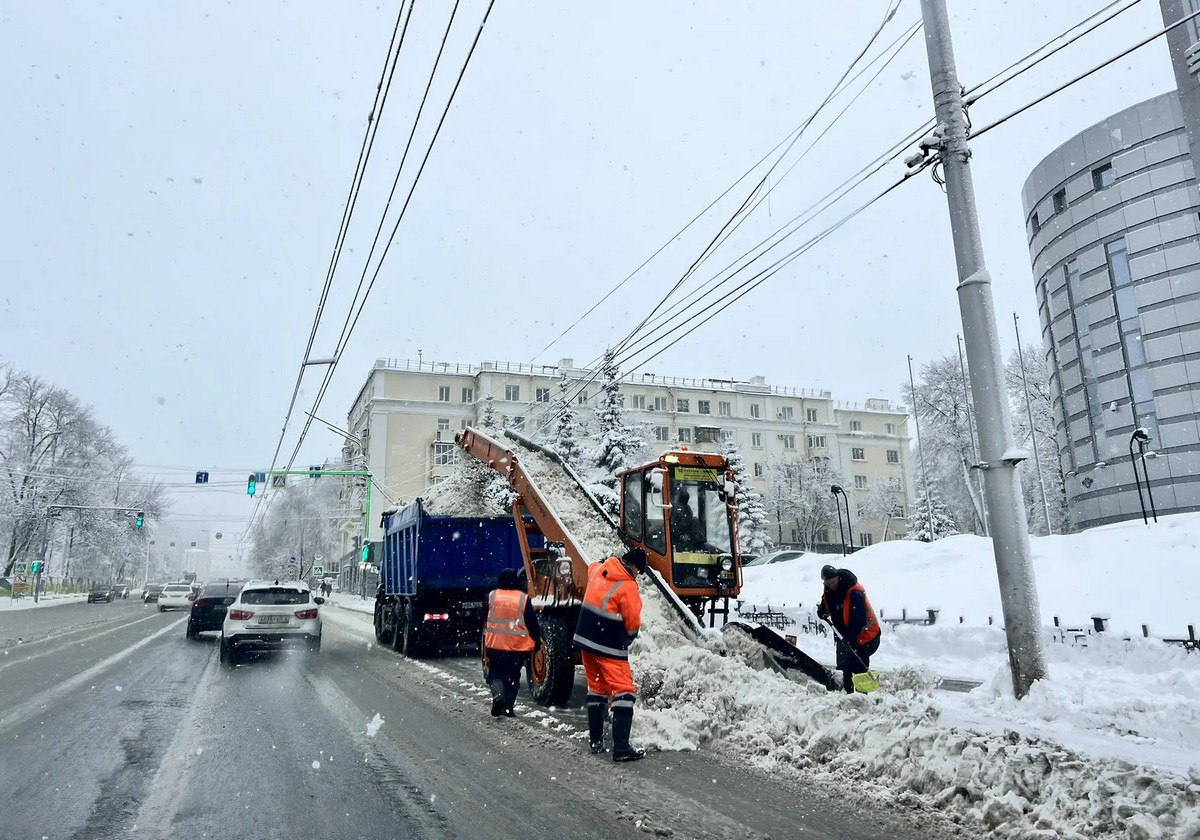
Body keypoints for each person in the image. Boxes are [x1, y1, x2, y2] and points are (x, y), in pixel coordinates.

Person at [572, 547, 647, 762]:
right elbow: (633, 623)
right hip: (608, 645)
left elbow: (592, 565)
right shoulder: (628, 586)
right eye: (638, 571)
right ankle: (621, 749)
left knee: (597, 688)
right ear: (634, 566)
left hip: (585, 640)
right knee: (624, 691)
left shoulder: (599, 570)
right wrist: (627, 639)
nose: (637, 575)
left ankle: (596, 741)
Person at [483, 568, 542, 717]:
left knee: (495, 673)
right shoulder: (523, 599)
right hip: (517, 648)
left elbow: (481, 616)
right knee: (513, 677)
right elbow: (532, 624)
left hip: (495, 645)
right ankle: (508, 707)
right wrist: (537, 641)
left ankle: (498, 696)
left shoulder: (491, 596)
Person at [817, 564, 880, 693]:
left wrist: (848, 637)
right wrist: (822, 611)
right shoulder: (828, 590)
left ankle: (862, 696)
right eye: (828, 583)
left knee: (858, 666)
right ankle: (847, 694)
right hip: (844, 635)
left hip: (866, 635)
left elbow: (859, 621)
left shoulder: (854, 592)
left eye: (833, 582)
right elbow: (826, 605)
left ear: (838, 578)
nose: (832, 585)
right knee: (843, 666)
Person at [670, 487, 705, 551]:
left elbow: (699, 538)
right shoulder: (668, 518)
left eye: (680, 506)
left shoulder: (693, 522)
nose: (677, 509)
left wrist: (689, 537)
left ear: (684, 506)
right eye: (676, 505)